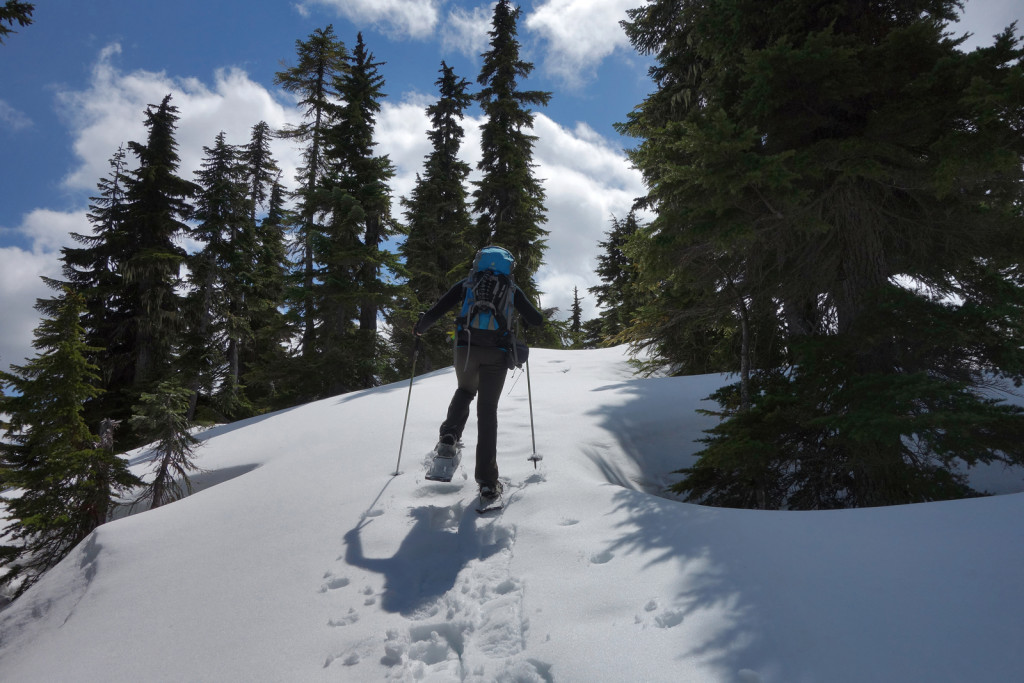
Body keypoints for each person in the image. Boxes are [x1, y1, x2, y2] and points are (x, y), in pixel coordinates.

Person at [413, 247, 544, 502]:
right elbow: (536, 320)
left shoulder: (468, 283)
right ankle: (487, 482)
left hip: (466, 348)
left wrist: (420, 327)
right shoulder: (510, 288)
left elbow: (437, 310)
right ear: (508, 266)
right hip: (496, 352)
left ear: (478, 263)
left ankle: (449, 436)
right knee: (487, 411)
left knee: (464, 390)